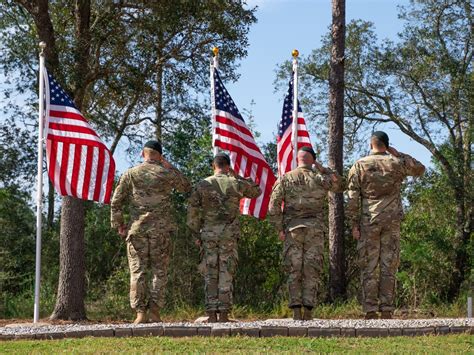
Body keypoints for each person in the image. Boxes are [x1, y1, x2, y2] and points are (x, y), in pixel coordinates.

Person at [110, 140, 191, 324]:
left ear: (142, 153)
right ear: (160, 155)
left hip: (137, 230)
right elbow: (186, 186)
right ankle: (154, 312)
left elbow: (116, 201)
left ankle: (140, 313)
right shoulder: (166, 173)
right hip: (161, 231)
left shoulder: (130, 174)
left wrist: (120, 225)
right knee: (159, 272)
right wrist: (170, 166)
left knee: (137, 272)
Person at [347, 131, 425, 319]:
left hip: (369, 221)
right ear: (387, 145)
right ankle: (387, 309)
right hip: (392, 221)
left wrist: (354, 224)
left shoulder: (359, 165)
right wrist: (398, 154)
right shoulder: (397, 163)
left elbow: (352, 198)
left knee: (369, 265)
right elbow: (420, 169)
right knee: (389, 265)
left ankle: (370, 309)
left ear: (370, 144)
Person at [268, 146, 344, 321]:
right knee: (312, 268)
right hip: (315, 230)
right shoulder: (320, 178)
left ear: (298, 159)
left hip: (292, 230)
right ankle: (308, 309)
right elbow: (340, 184)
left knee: (294, 269)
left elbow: (273, 205)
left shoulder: (285, 178)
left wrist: (278, 228)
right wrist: (323, 168)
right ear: (312, 159)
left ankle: (296, 310)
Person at [187, 152, 261, 323]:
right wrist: (238, 176)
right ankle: (225, 314)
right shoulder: (235, 183)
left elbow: (192, 211)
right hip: (228, 234)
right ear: (228, 166)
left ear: (214, 166)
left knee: (210, 272)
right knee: (226, 271)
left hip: (209, 234)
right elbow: (257, 191)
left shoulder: (203, 184)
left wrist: (195, 233)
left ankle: (212, 314)